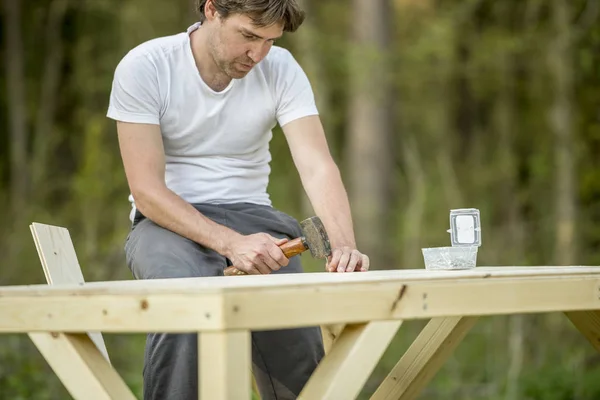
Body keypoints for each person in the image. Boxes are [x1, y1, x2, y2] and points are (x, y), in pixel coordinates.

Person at [106, 0, 370, 398]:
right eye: (248, 36)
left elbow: (317, 165)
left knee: (295, 345)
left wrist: (345, 243)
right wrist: (230, 243)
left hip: (256, 220)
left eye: (270, 41)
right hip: (166, 223)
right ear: (212, 10)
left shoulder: (281, 69)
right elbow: (146, 190)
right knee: (184, 306)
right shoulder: (146, 66)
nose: (258, 54)